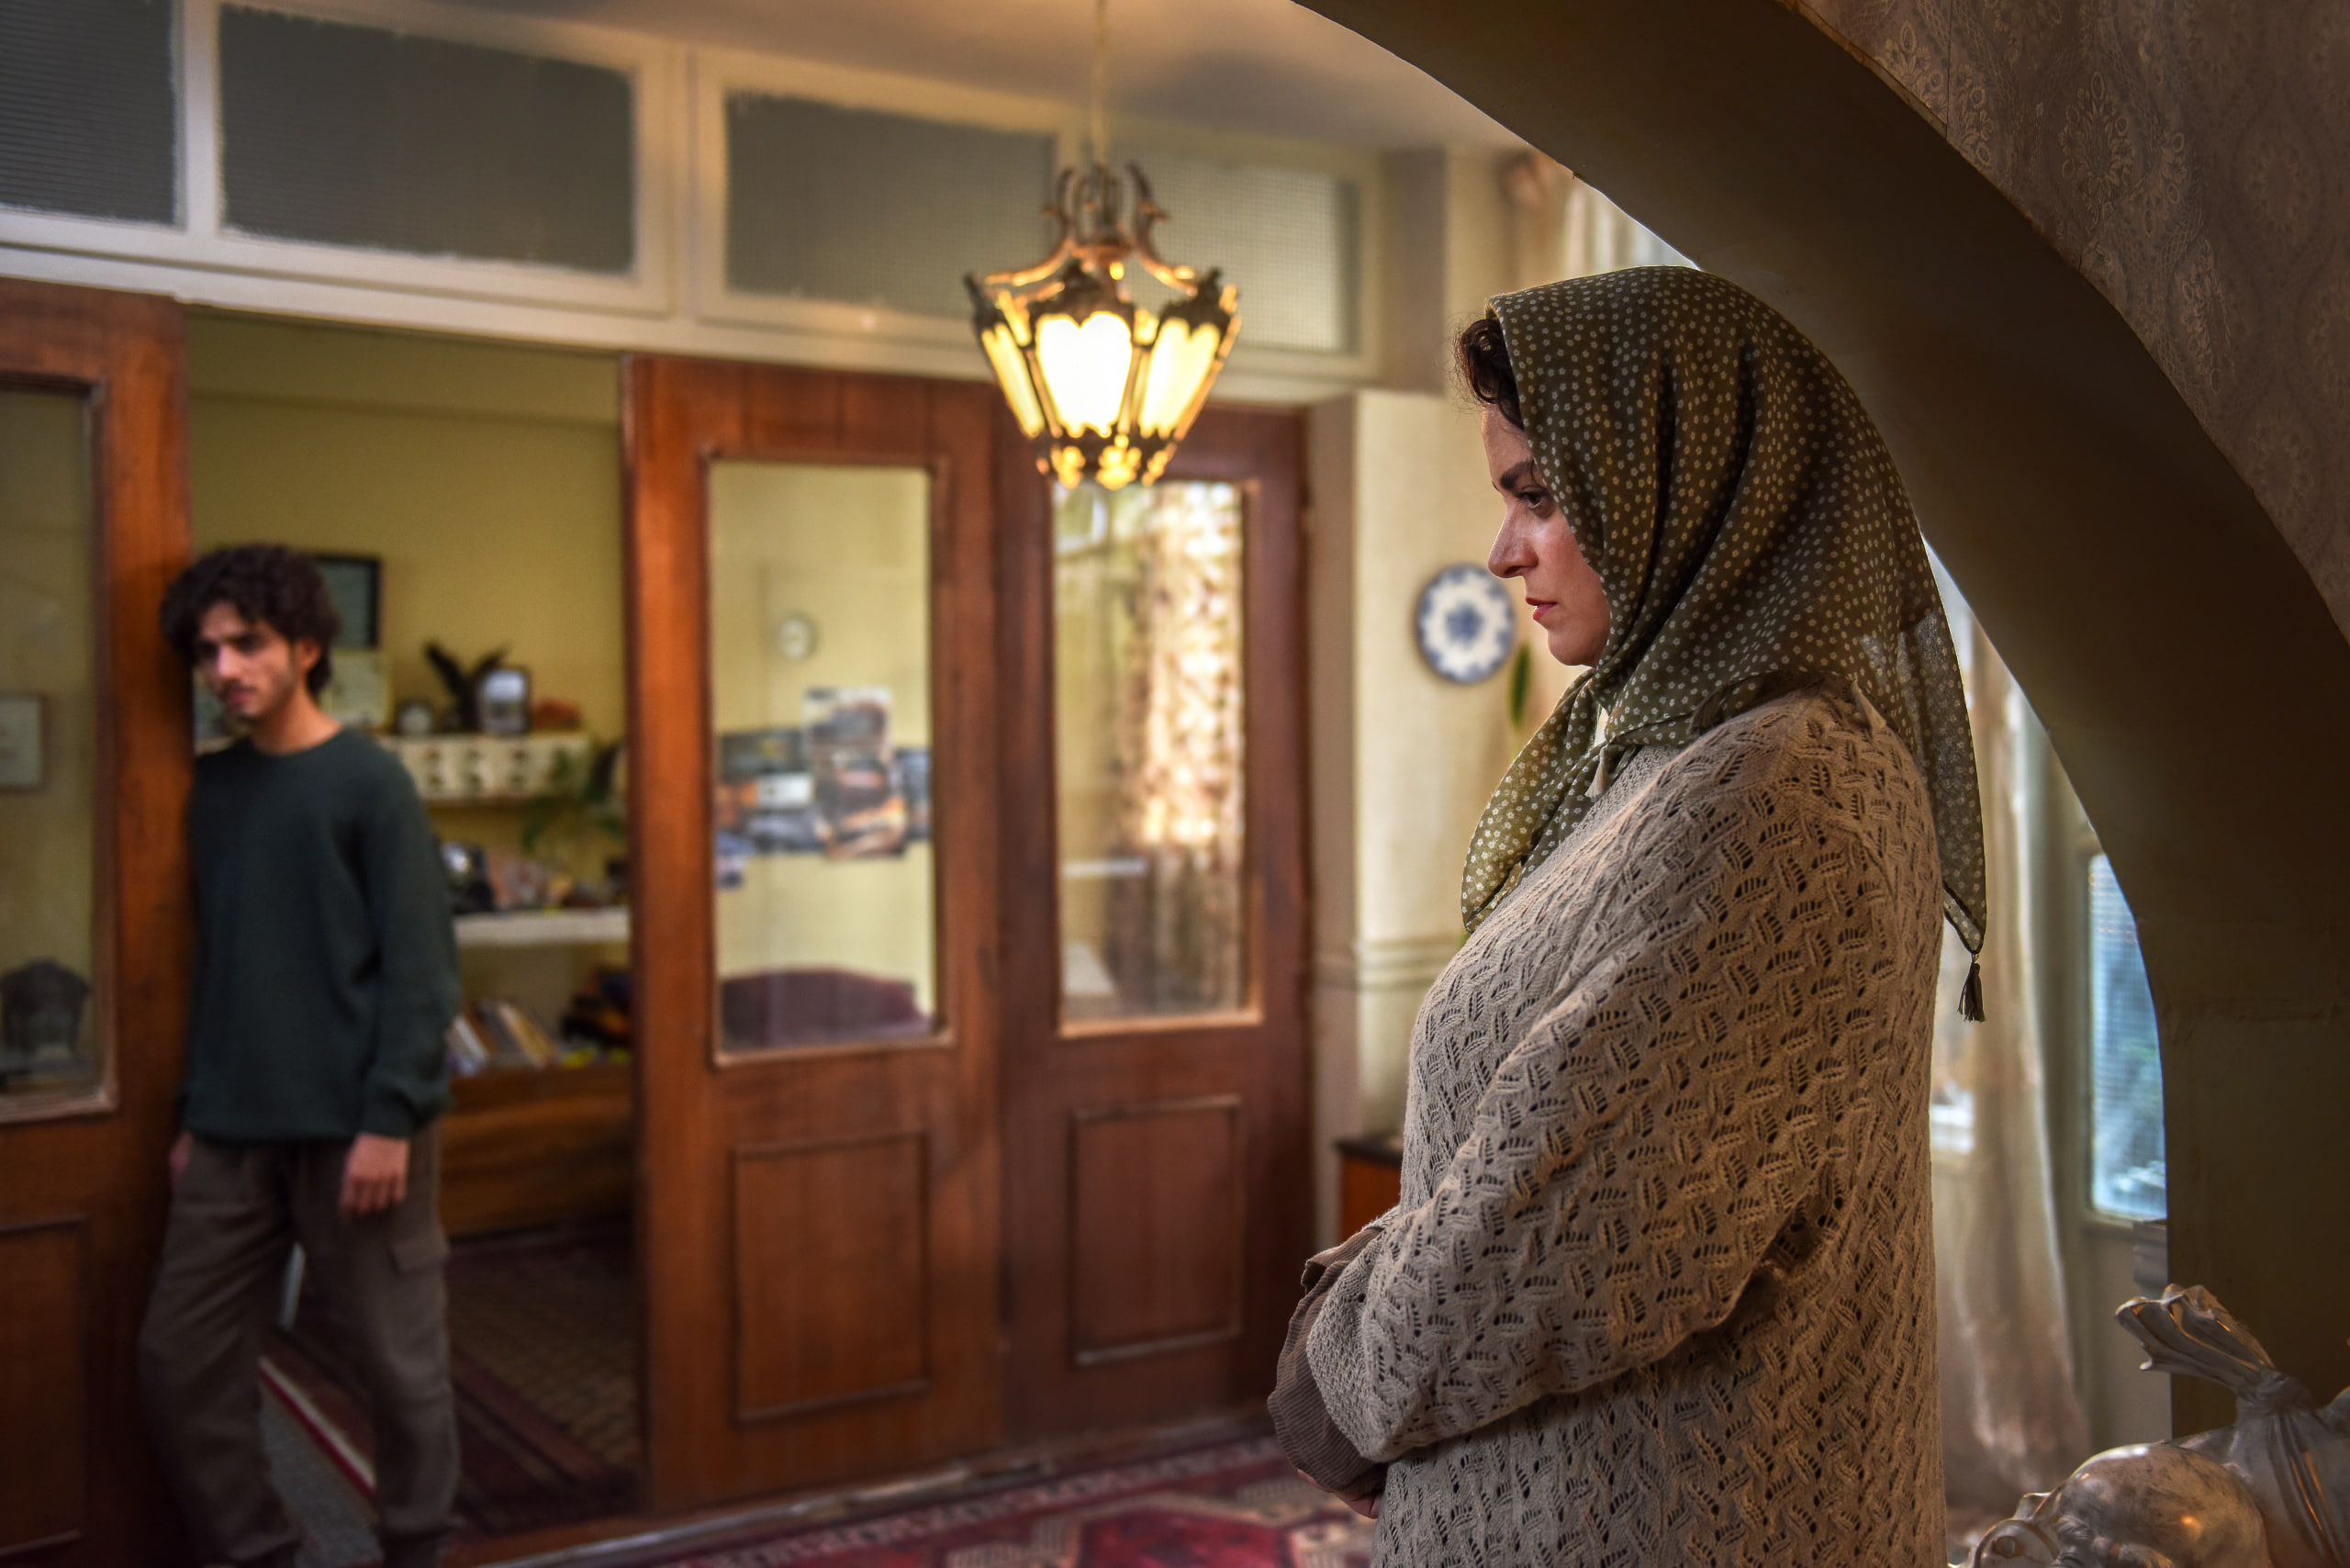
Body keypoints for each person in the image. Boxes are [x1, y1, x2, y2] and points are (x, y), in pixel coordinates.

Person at [1270, 266, 1986, 1564]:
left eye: (1541, 497)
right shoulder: (1675, 759)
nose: (1502, 551)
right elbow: (1534, 1137)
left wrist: (1340, 1353)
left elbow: (1557, 1238)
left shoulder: (1781, 802)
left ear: (1700, 483)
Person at [141, 544, 462, 1568]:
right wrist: (194, 1114)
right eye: (207, 652)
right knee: (177, 1360)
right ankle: (259, 1551)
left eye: (247, 643)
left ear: (306, 647)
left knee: (401, 1371)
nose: (224, 668)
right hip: (233, 1132)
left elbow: (421, 969)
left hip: (358, 1132)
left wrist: (389, 1118)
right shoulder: (210, 791)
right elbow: (220, 965)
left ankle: (416, 1549)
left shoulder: (372, 782)